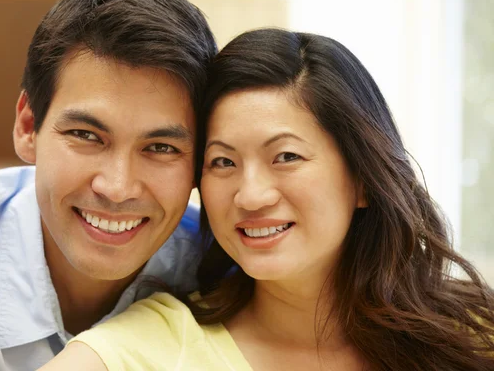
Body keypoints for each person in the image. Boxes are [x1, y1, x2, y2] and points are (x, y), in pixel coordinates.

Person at [41, 28, 494, 370]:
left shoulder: (471, 335)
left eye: (286, 156)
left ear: (362, 179)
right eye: (222, 162)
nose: (251, 195)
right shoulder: (142, 352)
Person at [0, 0, 216, 370]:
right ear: (28, 126)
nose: (117, 188)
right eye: (85, 136)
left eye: (161, 148)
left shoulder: (219, 267)